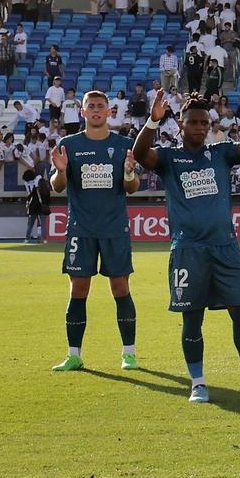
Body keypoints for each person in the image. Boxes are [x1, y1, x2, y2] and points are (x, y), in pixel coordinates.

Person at [132, 87, 240, 404]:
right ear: (181, 124)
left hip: (226, 248)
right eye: (194, 122)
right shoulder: (168, 158)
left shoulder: (221, 153)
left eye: (205, 122)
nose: (201, 127)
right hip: (188, 250)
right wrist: (152, 121)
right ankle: (199, 384)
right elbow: (139, 155)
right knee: (192, 318)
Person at [48, 91, 141, 372]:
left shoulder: (124, 145)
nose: (97, 110)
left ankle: (129, 354)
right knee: (79, 289)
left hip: (114, 229)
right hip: (81, 229)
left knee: (120, 287)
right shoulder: (69, 145)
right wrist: (61, 171)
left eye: (101, 106)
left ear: (110, 112)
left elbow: (131, 188)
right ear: (83, 112)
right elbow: (58, 186)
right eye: (92, 106)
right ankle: (73, 355)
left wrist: (128, 172)